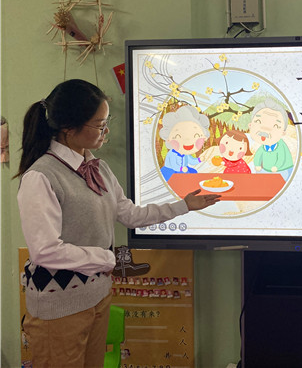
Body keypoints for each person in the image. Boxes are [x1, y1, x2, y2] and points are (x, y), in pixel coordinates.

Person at [15, 79, 220, 368]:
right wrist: (106, 258)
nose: (106, 131)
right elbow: (45, 251)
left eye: (105, 123)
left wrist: (183, 205)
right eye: (100, 125)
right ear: (69, 128)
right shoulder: (41, 176)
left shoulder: (98, 167)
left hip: (96, 296)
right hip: (58, 305)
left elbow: (130, 214)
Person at [158, 105, 210, 181]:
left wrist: (199, 160)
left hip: (183, 170)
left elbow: (191, 160)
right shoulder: (172, 154)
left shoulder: (185, 154)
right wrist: (181, 168)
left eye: (196, 136)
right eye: (178, 137)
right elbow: (174, 165)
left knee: (194, 173)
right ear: (168, 139)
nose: (187, 140)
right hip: (172, 171)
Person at [248, 98, 294, 180]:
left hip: (283, 170)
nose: (265, 129)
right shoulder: (263, 147)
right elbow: (258, 155)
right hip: (266, 170)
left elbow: (282, 157)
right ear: (250, 125)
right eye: (258, 121)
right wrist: (257, 165)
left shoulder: (281, 146)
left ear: (283, 132)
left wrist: (276, 166)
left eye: (275, 126)